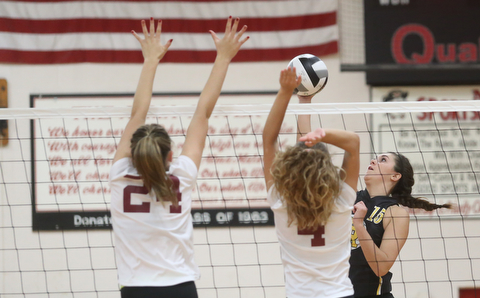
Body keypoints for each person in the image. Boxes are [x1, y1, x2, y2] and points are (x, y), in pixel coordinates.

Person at [109, 17, 248, 298]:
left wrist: (150, 61)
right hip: (180, 288)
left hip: (136, 290)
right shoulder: (182, 175)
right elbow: (203, 113)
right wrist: (223, 57)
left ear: (133, 152)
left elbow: (137, 114)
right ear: (171, 154)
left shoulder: (119, 175)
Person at [296, 97, 451, 298]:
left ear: (395, 176)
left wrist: (359, 225)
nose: (373, 160)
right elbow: (305, 151)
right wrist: (304, 101)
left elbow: (382, 267)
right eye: (376, 157)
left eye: (382, 160)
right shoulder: (348, 196)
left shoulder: (396, 213)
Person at [262, 67, 360, 298]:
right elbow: (354, 143)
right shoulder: (342, 201)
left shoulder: (280, 202)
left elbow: (268, 140)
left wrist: (287, 92)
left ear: (288, 171)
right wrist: (321, 133)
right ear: (327, 170)